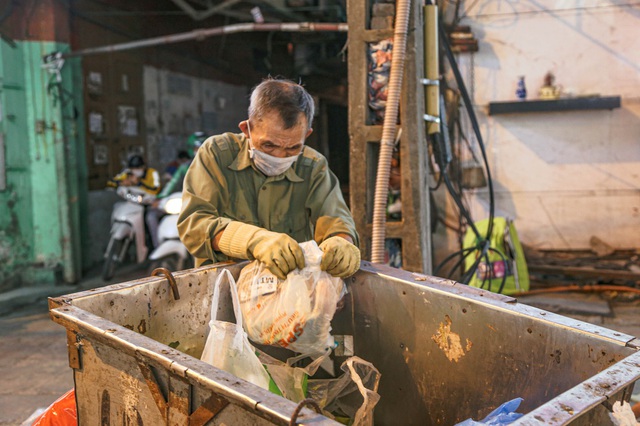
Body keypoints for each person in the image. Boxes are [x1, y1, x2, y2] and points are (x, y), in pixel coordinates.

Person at [178, 78, 360, 280]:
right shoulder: (217, 154)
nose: (279, 156)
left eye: (292, 148)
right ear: (247, 129)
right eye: (268, 146)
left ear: (306, 135)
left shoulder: (313, 167)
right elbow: (194, 226)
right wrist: (253, 240)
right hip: (225, 290)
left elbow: (337, 222)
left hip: (292, 295)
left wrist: (342, 242)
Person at [146, 132, 206, 249]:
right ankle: (156, 246)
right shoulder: (185, 167)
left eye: (202, 147)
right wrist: (160, 198)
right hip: (185, 203)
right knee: (151, 215)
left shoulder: (214, 166)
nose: (198, 150)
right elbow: (173, 183)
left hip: (203, 205)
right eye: (196, 148)